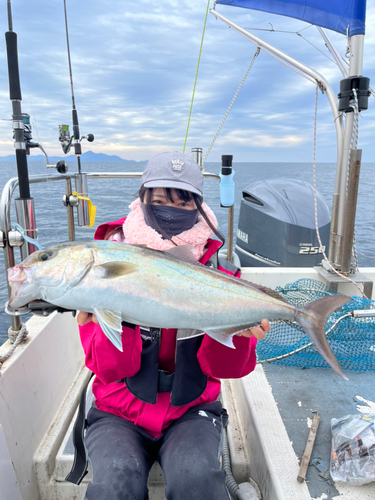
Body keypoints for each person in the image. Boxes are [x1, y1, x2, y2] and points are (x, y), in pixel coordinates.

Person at [77, 151, 270, 500]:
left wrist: (238, 334)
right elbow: (107, 368)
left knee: (198, 485)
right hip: (117, 408)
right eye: (161, 199)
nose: (171, 209)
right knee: (113, 488)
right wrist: (117, 312)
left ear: (197, 206)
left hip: (191, 409)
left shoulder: (220, 273)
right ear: (143, 199)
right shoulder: (109, 264)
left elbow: (229, 368)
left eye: (183, 202)